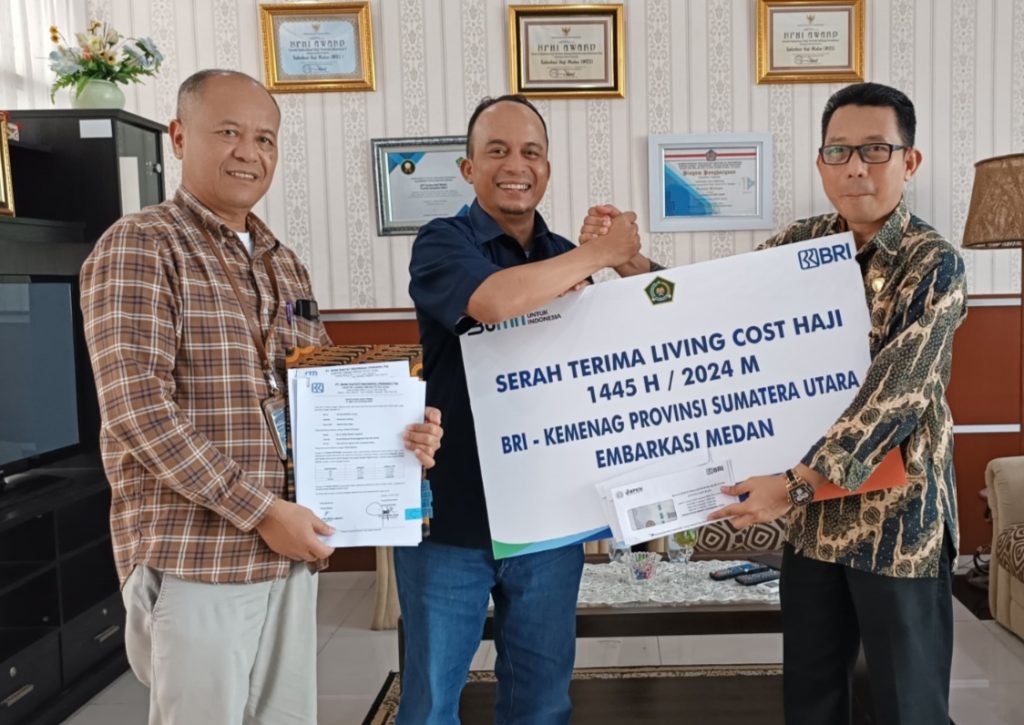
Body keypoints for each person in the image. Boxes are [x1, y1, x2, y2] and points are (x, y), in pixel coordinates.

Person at [584, 82, 966, 725]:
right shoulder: (802, 244)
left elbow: (896, 395)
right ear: (821, 163)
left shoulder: (932, 263)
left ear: (910, 161)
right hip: (814, 526)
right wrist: (630, 264)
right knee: (812, 700)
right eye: (839, 151)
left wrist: (790, 486)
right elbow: (715, 312)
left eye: (875, 149)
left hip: (900, 527)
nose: (855, 167)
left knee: (908, 707)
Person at [79, 69, 443, 725]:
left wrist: (401, 428)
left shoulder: (283, 261)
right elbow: (138, 410)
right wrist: (262, 510)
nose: (249, 152)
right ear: (179, 137)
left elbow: (327, 392)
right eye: (228, 132)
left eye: (265, 138)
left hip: (288, 554)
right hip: (197, 557)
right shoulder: (141, 245)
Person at [400, 94, 640, 724]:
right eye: (497, 151)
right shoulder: (441, 241)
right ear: (468, 168)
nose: (516, 165)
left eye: (531, 151)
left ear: (547, 168)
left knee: (541, 701)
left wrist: (626, 257)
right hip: (450, 515)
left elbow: (646, 330)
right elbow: (493, 302)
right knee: (430, 704)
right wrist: (597, 255)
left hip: (546, 520)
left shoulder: (562, 251)